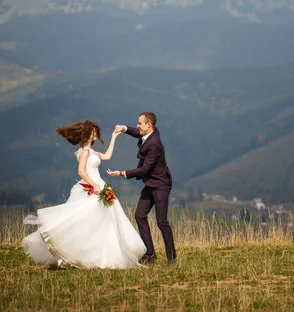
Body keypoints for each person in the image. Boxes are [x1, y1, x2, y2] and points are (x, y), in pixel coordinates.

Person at [21, 119, 146, 269]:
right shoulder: (85, 151)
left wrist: (113, 137)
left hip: (98, 185)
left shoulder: (90, 151)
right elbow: (81, 171)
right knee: (88, 220)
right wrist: (94, 185)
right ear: (87, 134)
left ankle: (101, 252)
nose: (95, 135)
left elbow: (106, 156)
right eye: (93, 132)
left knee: (101, 221)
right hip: (92, 187)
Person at [107, 112, 177, 265]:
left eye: (140, 123)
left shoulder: (155, 145)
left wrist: (122, 173)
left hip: (161, 186)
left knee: (162, 222)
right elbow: (136, 133)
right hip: (150, 184)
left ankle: (172, 258)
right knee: (139, 215)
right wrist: (124, 128)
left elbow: (144, 169)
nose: (137, 126)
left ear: (149, 125)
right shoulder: (150, 135)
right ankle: (150, 254)